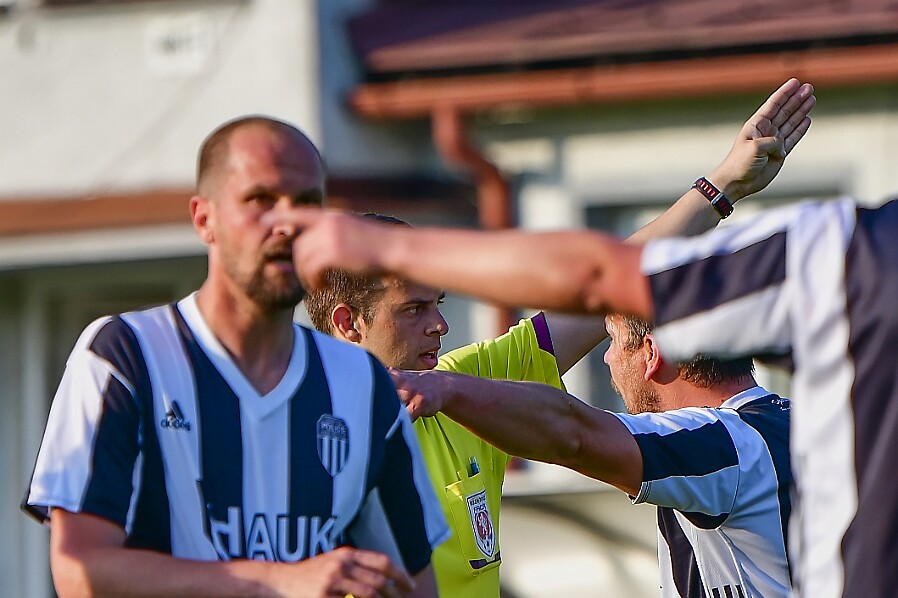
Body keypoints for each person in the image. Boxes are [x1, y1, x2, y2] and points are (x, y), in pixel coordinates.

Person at [298, 78, 814, 597]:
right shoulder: (295, 438)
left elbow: (608, 283)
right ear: (348, 323)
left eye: (439, 304)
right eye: (413, 310)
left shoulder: (459, 386)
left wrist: (722, 187)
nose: (440, 325)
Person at [22, 116, 448, 598]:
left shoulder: (361, 384)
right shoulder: (124, 356)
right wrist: (275, 580)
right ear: (205, 219)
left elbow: (413, 586)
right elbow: (79, 573)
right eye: (261, 200)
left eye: (307, 202)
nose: (288, 223)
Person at [390, 313, 792, 597]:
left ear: (651, 354)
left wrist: (447, 389)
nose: (607, 358)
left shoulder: (722, 441)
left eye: (613, 341)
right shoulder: (797, 420)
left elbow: (573, 435)